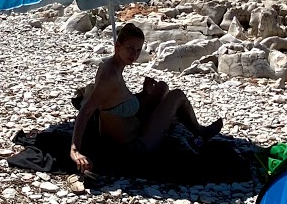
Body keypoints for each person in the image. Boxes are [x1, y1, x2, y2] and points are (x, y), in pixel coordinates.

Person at [69, 22, 222, 175]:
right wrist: (75, 150)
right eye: (129, 48)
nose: (134, 55)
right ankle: (199, 131)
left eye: (138, 50)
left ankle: (177, 121)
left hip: (132, 125)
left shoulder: (113, 66)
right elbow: (86, 111)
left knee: (162, 87)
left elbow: (118, 102)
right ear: (117, 46)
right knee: (177, 95)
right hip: (135, 146)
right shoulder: (110, 76)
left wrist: (143, 93)